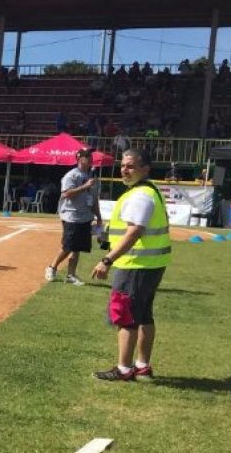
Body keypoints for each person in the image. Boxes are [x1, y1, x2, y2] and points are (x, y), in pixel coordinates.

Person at [91, 150, 169, 381]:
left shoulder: (140, 195)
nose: (124, 170)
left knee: (125, 315)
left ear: (145, 169)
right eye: (123, 166)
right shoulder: (148, 191)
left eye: (131, 166)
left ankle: (124, 369)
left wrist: (107, 259)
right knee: (144, 315)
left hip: (135, 264)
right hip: (150, 263)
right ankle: (142, 366)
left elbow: (135, 232)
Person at [45, 148, 102, 286]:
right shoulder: (72, 175)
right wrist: (84, 186)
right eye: (87, 156)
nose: (90, 158)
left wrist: (98, 216)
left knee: (77, 247)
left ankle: (71, 274)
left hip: (85, 216)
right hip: (72, 215)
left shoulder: (91, 177)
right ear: (79, 158)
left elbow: (94, 199)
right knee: (68, 246)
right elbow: (66, 194)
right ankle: (52, 267)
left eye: (91, 156)